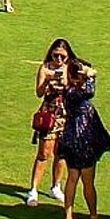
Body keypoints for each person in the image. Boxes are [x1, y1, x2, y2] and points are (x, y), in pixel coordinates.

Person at [56, 54, 110, 219]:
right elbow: (90, 91)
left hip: (74, 140)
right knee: (84, 180)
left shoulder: (69, 92)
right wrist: (90, 76)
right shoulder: (74, 92)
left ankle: (70, 215)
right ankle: (90, 215)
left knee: (74, 178)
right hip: (83, 141)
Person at [28, 36, 71, 206]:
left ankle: (56, 186)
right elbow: (39, 93)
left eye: (62, 56)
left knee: (62, 153)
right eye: (55, 55)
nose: (59, 59)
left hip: (66, 114)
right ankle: (33, 189)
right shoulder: (45, 69)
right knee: (44, 153)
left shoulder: (70, 69)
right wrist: (47, 80)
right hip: (49, 114)